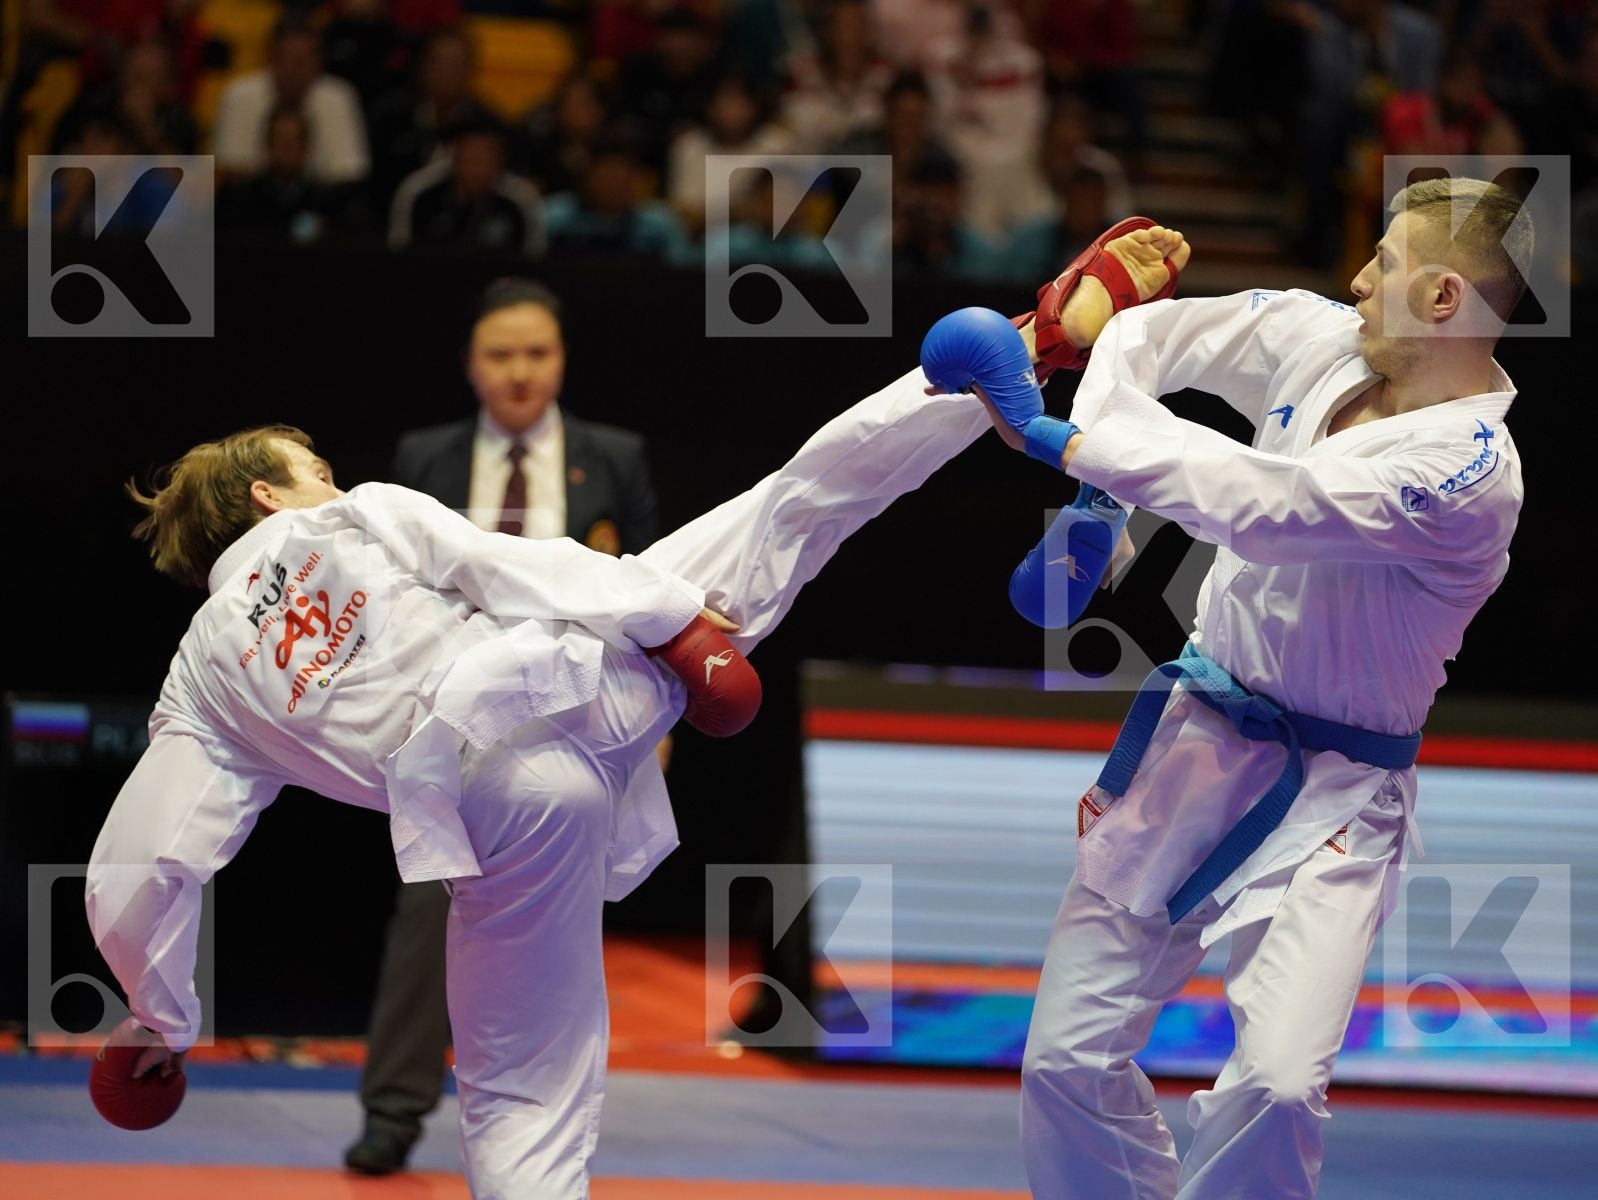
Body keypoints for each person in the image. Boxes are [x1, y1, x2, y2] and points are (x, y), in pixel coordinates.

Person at [87, 216, 1189, 1199]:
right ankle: (1023, 343)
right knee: (790, 507)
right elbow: (503, 563)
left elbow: (141, 865)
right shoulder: (354, 515)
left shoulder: (199, 680)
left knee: (522, 1087)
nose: (329, 475)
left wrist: (159, 1020)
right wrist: (670, 619)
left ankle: (1016, 350)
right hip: (579, 684)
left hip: (497, 818)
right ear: (270, 495)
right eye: (309, 467)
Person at [969, 178, 1527, 1198]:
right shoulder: (1323, 340)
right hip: (1193, 735)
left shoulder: (1467, 472)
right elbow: (1154, 341)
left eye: (1386, 264)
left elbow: (1273, 507)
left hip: (1334, 795)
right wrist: (1099, 443)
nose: (1357, 280)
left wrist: (1065, 441)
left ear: (1442, 300)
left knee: (1272, 1087)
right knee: (1062, 1060)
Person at [345, 277, 665, 1175]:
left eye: (537, 353)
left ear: (560, 360)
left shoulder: (613, 457)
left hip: (586, 708)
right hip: (452, 708)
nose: (520, 372)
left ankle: (549, 1123)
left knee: (568, 918)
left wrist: (659, 722)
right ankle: (394, 1110)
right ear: (470, 367)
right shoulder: (424, 459)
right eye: (500, 355)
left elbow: (649, 587)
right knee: (425, 900)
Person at [211, 15, 369, 186]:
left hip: (322, 204)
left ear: (319, 63)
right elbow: (233, 171)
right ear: (271, 59)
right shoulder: (239, 96)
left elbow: (348, 174)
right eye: (289, 59)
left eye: (304, 61)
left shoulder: (340, 97)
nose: (295, 70)